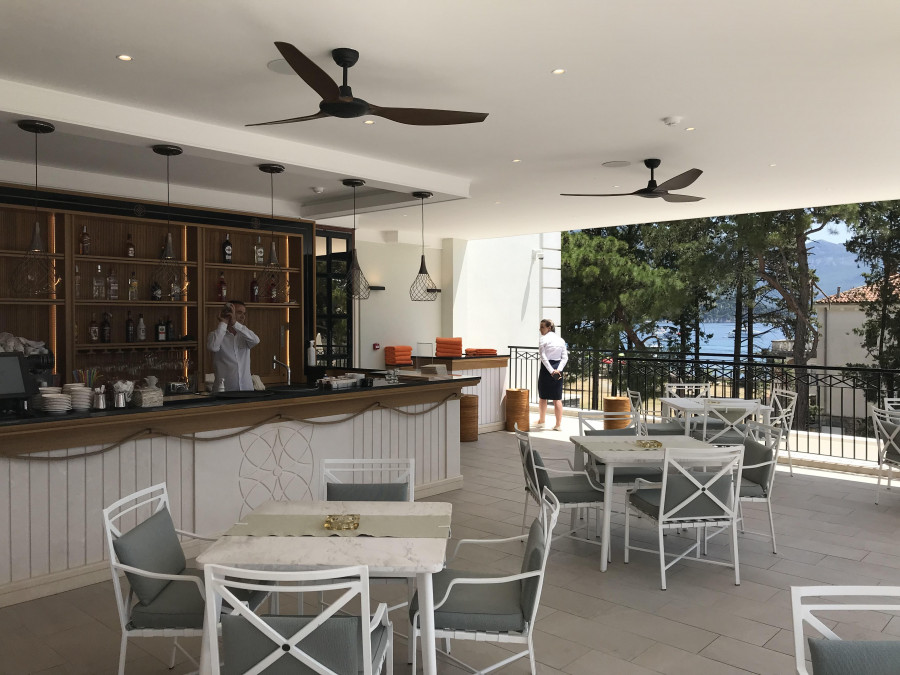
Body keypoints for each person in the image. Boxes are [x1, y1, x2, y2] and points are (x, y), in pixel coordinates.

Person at [206, 300, 259, 391]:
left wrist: (235, 324)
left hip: (247, 390)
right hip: (224, 390)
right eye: (239, 312)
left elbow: (256, 340)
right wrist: (223, 322)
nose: (243, 317)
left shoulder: (245, 335)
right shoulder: (216, 335)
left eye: (244, 313)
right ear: (229, 313)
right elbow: (213, 347)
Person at [536, 318, 568, 431]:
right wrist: (558, 370)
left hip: (547, 369)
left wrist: (551, 371)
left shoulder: (543, 339)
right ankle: (558, 425)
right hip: (558, 369)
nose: (540, 329)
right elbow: (565, 357)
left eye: (542, 327)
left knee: (543, 396)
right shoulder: (561, 340)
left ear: (549, 328)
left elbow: (543, 357)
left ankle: (542, 421)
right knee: (557, 397)